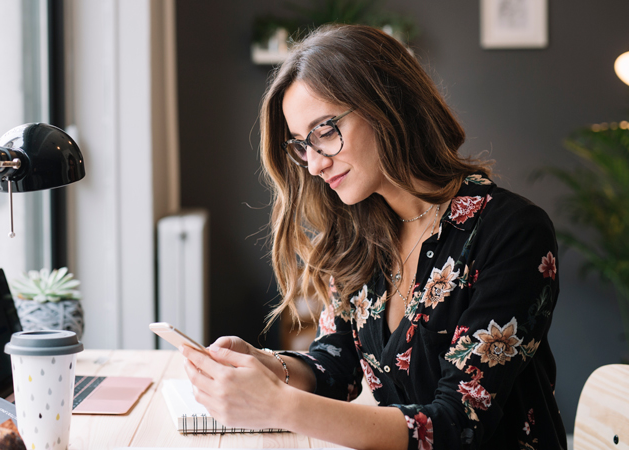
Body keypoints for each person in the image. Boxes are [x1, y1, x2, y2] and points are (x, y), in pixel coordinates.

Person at [180, 24, 566, 450]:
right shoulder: (356, 236)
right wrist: (270, 367)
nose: (312, 164)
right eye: (301, 145)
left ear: (387, 103)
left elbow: (459, 427)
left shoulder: (512, 232)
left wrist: (278, 405)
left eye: (324, 131)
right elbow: (335, 369)